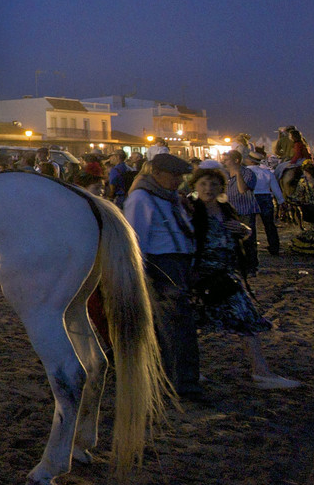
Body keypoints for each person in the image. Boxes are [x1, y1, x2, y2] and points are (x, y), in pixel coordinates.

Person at [185, 168, 301, 389]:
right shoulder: (190, 211)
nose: (208, 189)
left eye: (213, 184)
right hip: (201, 278)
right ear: (195, 187)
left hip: (226, 277)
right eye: (203, 184)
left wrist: (243, 229)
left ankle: (261, 372)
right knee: (193, 326)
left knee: (245, 320)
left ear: (222, 187)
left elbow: (241, 234)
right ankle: (191, 371)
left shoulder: (225, 209)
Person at [124, 152, 202, 398]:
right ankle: (181, 384)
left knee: (176, 326)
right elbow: (136, 241)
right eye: (174, 175)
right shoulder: (141, 198)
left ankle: (179, 380)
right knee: (176, 327)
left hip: (177, 263)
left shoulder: (167, 197)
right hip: (162, 266)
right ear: (156, 173)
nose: (179, 179)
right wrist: (142, 274)